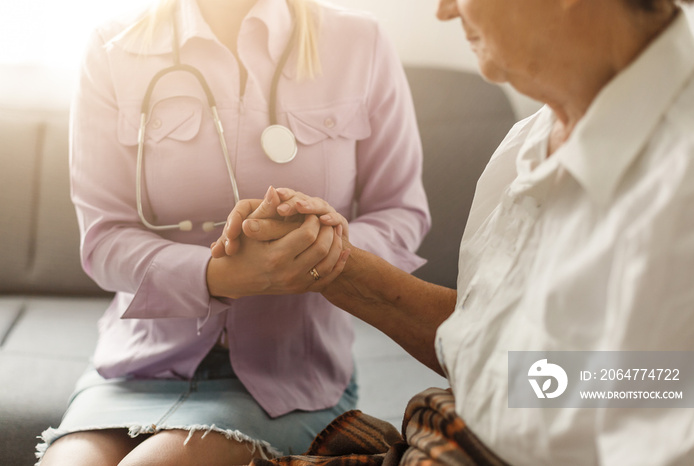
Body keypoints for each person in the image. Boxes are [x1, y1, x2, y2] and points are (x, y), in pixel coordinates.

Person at [214, 0, 694, 464]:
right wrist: (325, 259)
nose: (443, 10)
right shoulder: (528, 140)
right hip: (440, 435)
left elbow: (651, 396)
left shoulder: (683, 185)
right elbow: (501, 352)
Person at [36, 0, 430, 464]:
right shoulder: (112, 46)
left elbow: (402, 214)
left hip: (291, 379)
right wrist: (220, 275)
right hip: (136, 368)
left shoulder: (359, 42)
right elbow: (104, 239)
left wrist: (314, 252)